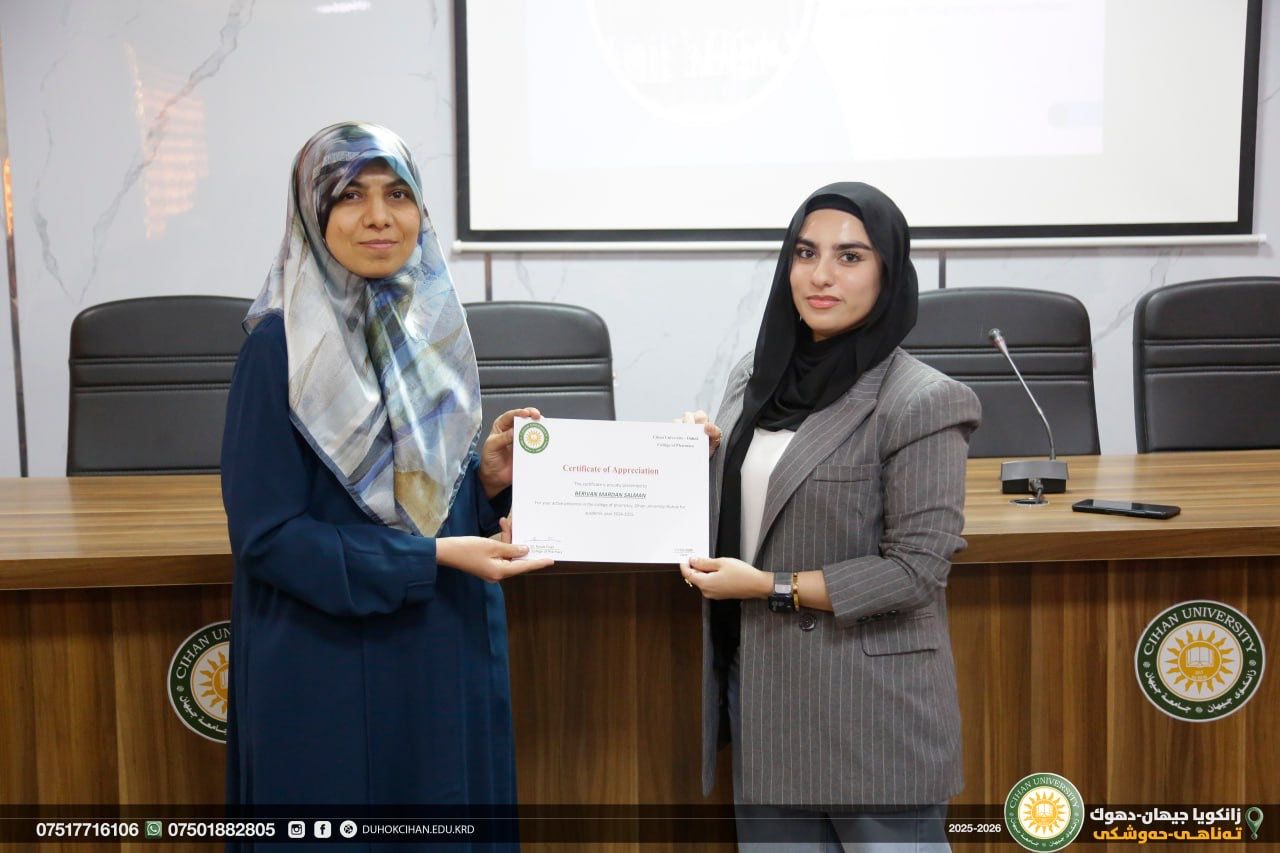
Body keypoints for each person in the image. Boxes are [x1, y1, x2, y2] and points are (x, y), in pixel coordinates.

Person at [220, 122, 551, 843]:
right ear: (313, 212)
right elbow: (269, 539)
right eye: (351, 196)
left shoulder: (432, 332)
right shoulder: (278, 348)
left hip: (441, 648)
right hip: (330, 664)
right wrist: (427, 558)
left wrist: (485, 483)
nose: (379, 217)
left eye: (398, 194)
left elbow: (424, 505)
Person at [679, 182, 981, 851]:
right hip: (766, 698)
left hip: (872, 710)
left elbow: (914, 570)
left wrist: (770, 587)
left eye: (850, 256)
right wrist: (695, 460)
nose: (820, 275)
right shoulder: (755, 376)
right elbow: (759, 506)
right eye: (805, 252)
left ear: (888, 272)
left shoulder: (923, 400)